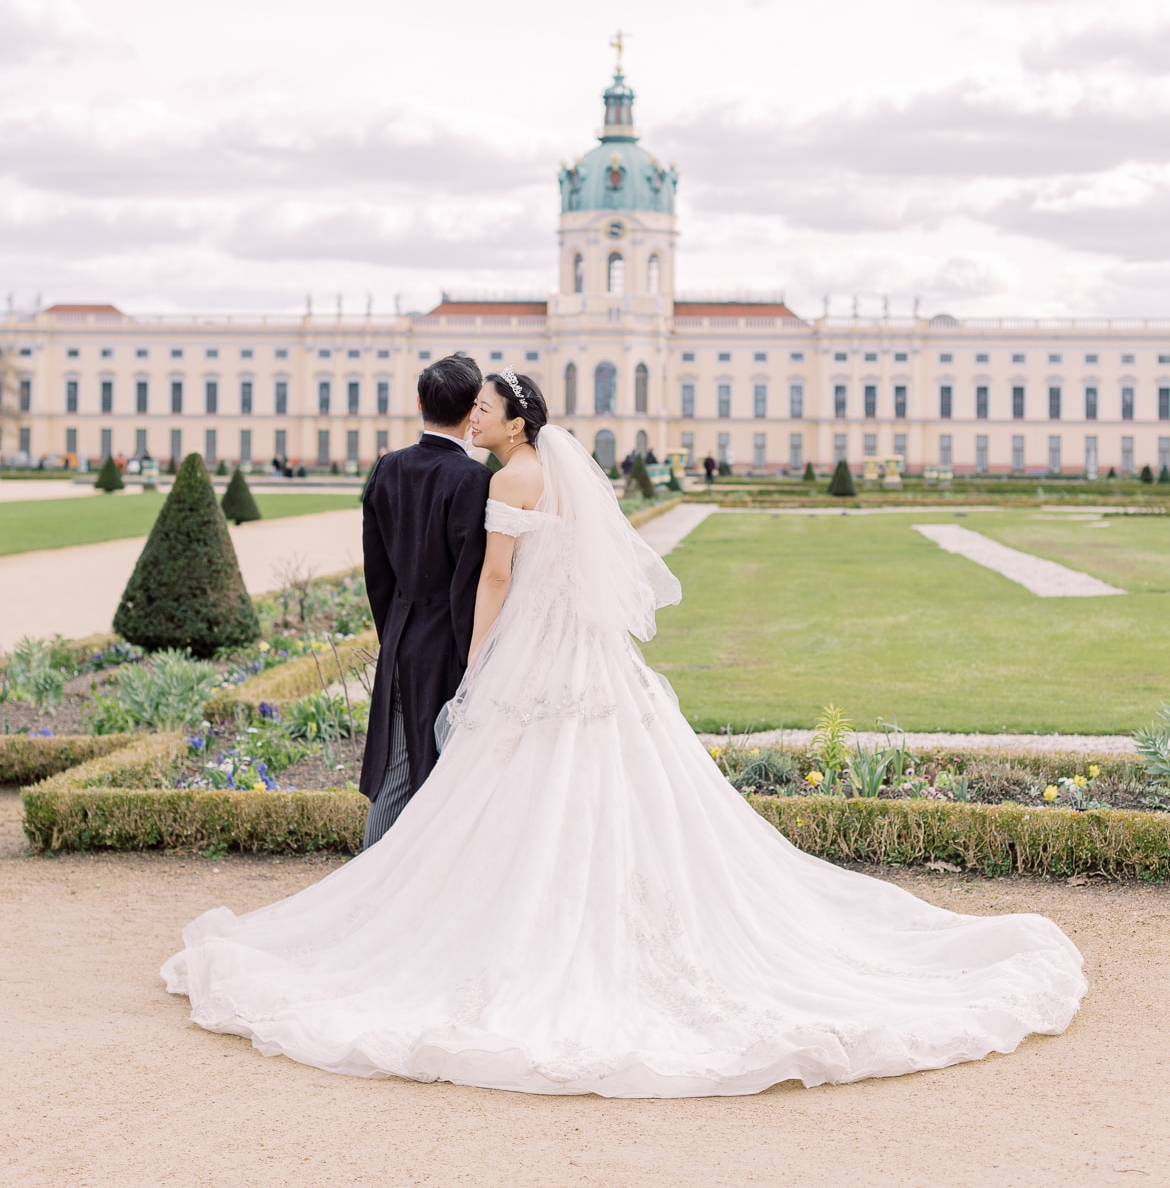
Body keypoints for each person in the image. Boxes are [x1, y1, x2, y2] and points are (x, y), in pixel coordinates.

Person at [163, 375, 1085, 1096]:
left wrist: (480, 662)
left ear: (515, 421)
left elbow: (492, 582)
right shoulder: (552, 469)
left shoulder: (510, 477)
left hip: (531, 653)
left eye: (486, 407)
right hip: (590, 654)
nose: (475, 416)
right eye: (474, 406)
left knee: (507, 789)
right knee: (630, 784)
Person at [358, 354, 490, 848]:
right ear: (473, 410)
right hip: (449, 643)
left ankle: (373, 885)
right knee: (443, 771)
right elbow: (470, 582)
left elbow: (377, 574)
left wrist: (393, 632)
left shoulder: (388, 467)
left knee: (396, 767)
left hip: (401, 635)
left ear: (419, 403)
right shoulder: (473, 479)